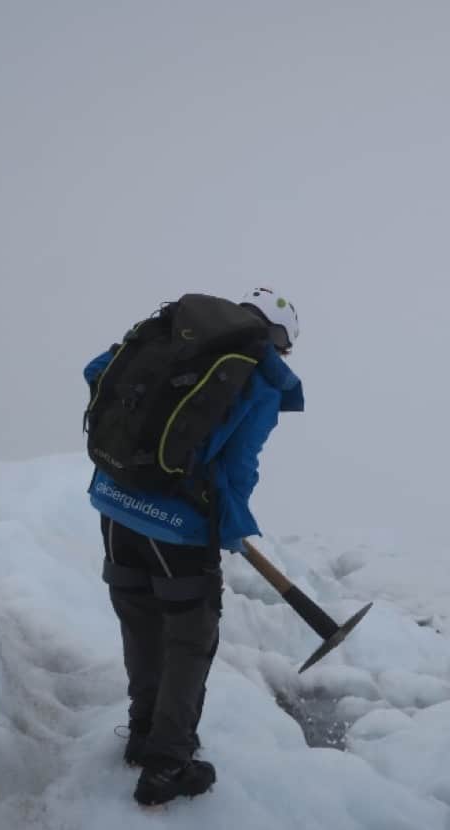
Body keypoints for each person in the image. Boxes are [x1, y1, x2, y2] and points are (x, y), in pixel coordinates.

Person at [83, 288, 304, 806]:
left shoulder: (169, 333)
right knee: (189, 637)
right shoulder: (261, 375)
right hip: (176, 524)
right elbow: (236, 468)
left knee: (138, 616)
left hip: (113, 502)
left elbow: (98, 372)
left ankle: (143, 735)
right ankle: (168, 762)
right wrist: (227, 524)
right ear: (277, 339)